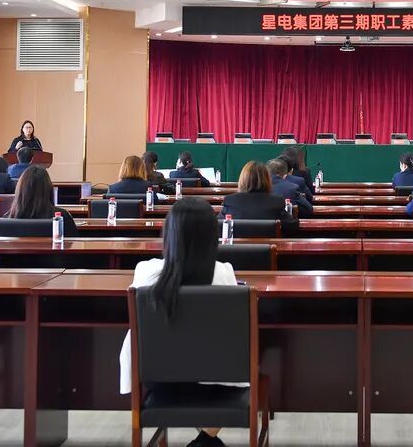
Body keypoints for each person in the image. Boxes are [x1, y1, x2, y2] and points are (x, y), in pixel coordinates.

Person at [118, 197, 238, 447]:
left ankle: (206, 440)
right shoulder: (224, 272)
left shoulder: (145, 271)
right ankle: (206, 439)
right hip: (213, 383)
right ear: (211, 237)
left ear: (168, 233)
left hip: (157, 380)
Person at [220, 161, 298, 234]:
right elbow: (292, 225)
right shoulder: (277, 201)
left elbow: (218, 224)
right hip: (269, 244)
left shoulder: (230, 201)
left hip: (237, 244)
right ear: (267, 179)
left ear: (242, 180)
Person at [9, 165, 78, 237]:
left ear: (20, 190)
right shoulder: (62, 217)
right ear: (48, 189)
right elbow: (75, 242)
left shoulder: (8, 218)